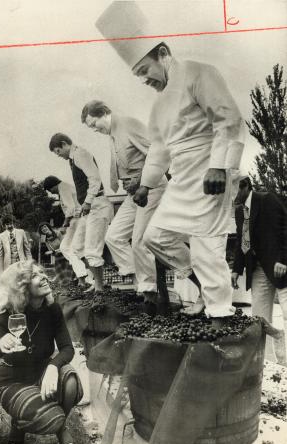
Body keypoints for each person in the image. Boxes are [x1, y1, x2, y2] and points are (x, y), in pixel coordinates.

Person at [96, 1, 245, 323]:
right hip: (181, 178)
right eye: (137, 75)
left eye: (144, 70)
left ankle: (220, 316)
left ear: (162, 52)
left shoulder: (199, 72)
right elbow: (159, 149)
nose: (143, 79)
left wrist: (219, 165)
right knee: (154, 237)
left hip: (210, 172)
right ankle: (206, 289)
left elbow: (229, 120)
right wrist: (146, 186)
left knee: (208, 247)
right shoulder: (158, 106)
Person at [0, 260, 83, 444]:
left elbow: (67, 348)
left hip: (43, 373)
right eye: (35, 275)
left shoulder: (53, 309)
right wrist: (0, 345)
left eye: (43, 272)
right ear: (23, 287)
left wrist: (53, 366)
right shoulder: (7, 315)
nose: (44, 276)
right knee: (51, 418)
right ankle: (20, 424)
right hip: (13, 381)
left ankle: (61, 430)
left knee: (70, 383)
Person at [81, 100, 176, 310]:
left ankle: (149, 294)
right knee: (113, 237)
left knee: (139, 241)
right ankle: (139, 283)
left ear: (105, 112)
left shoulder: (128, 124)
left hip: (151, 188)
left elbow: (159, 153)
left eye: (93, 123)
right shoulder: (112, 134)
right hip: (133, 194)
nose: (94, 129)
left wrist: (142, 179)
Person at [232, 177, 287, 365]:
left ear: (246, 186)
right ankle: (271, 364)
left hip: (281, 267)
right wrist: (237, 269)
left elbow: (285, 229)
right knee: (260, 320)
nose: (232, 196)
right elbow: (242, 242)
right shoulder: (239, 213)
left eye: (235, 190)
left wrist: (283, 260)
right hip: (257, 270)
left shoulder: (267, 200)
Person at [48, 134, 114, 292]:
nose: (58, 155)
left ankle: (99, 287)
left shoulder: (80, 154)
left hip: (96, 205)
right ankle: (96, 282)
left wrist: (88, 201)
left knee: (92, 249)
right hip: (89, 209)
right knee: (76, 248)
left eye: (58, 151)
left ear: (64, 144)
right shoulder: (72, 159)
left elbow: (95, 179)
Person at [42, 177, 90, 288]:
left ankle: (83, 278)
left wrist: (65, 224)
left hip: (75, 220)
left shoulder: (62, 187)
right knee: (70, 249)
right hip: (77, 219)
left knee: (67, 248)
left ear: (53, 185)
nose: (51, 193)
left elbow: (71, 208)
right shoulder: (66, 186)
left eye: (50, 190)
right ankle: (82, 277)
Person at [37, 222, 74, 287]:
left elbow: (65, 246)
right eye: (42, 228)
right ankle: (65, 281)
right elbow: (49, 250)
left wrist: (53, 252)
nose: (44, 229)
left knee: (66, 266)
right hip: (57, 255)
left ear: (48, 227)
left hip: (66, 253)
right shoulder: (45, 238)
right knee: (58, 269)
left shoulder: (57, 233)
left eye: (45, 226)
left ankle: (72, 279)